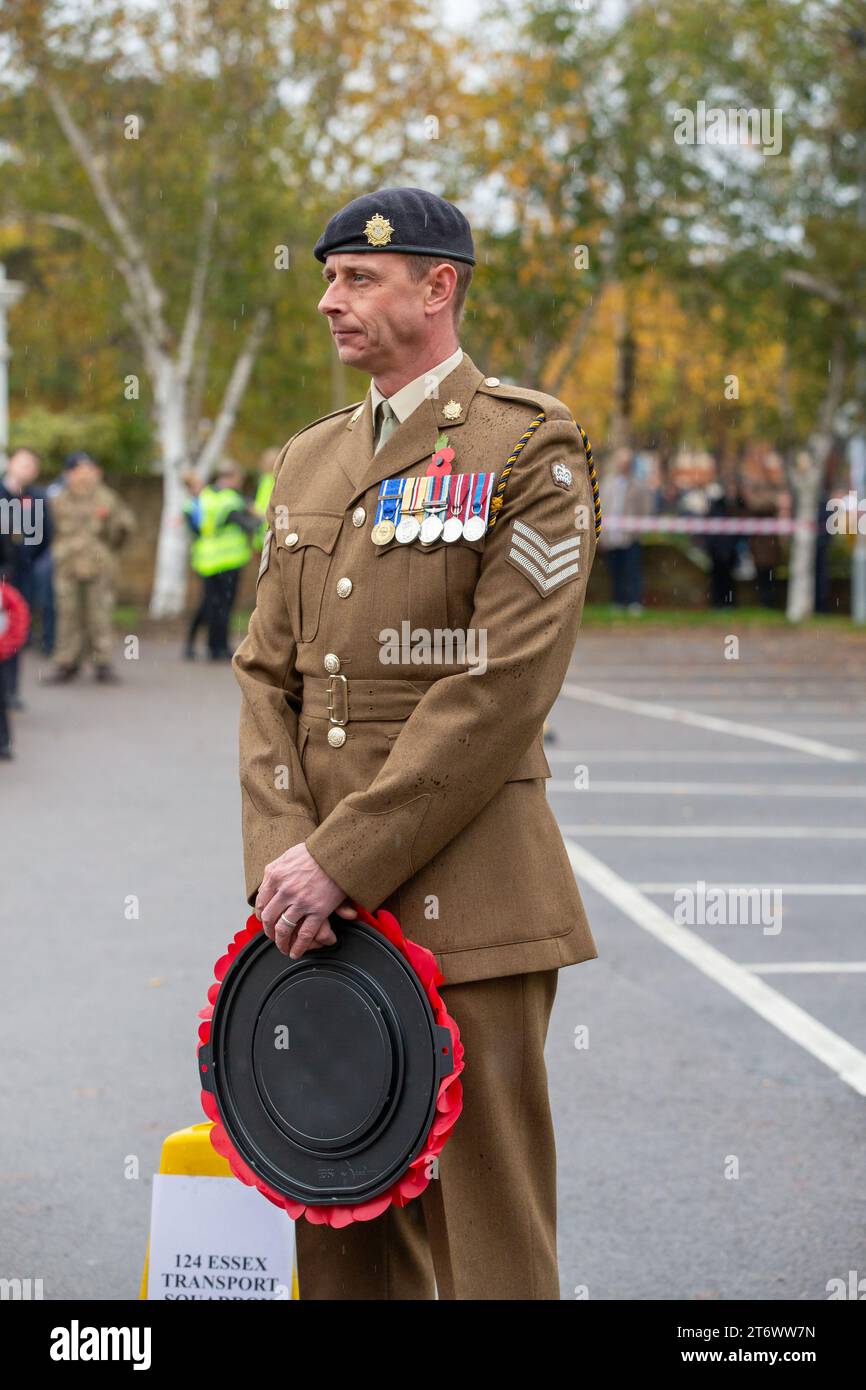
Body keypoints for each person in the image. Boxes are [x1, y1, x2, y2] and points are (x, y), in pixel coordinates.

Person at [232, 186, 600, 1300]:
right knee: (336, 1225)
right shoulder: (307, 458)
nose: (326, 301)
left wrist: (342, 857)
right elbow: (266, 677)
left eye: (356, 278)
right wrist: (288, 862)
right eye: (327, 276)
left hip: (470, 903)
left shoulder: (527, 444)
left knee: (485, 1238)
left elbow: (498, 685)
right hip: (314, 914)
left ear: (437, 288)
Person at [43, 451, 134, 684]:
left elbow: (123, 530)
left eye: (89, 469)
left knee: (99, 615)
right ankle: (66, 662)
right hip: (67, 565)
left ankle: (102, 662)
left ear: (97, 472)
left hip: (99, 566)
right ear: (68, 474)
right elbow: (46, 531)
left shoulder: (107, 498)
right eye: (79, 470)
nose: (84, 475)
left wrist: (116, 535)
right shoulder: (57, 499)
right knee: (67, 614)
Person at [187, 464, 259, 661]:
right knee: (224, 606)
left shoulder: (207, 496)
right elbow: (247, 524)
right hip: (227, 561)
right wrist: (261, 519)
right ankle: (219, 648)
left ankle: (198, 645)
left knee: (209, 604)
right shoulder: (229, 499)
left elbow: (196, 525)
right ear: (233, 478)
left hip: (207, 560)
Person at [0, 446, 53, 705]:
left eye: (31, 466)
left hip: (20, 578)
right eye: (22, 463)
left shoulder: (37, 499)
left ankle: (10, 691)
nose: (25, 470)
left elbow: (45, 537)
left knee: (13, 635)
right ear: (11, 463)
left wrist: (24, 558)